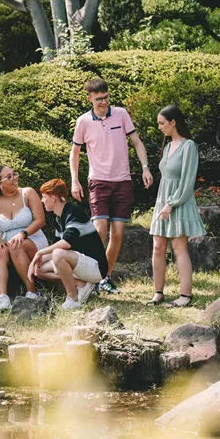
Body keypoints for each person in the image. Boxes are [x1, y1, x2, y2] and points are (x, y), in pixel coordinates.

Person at [70, 77, 153, 294]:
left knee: (117, 234)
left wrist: (145, 167)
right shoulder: (83, 122)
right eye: (99, 99)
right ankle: (86, 273)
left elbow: (136, 142)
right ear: (89, 98)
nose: (103, 102)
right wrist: (74, 181)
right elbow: (75, 153)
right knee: (99, 230)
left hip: (123, 181)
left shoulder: (121, 114)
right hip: (98, 181)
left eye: (106, 97)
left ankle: (105, 277)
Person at [146, 106, 205, 308]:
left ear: (174, 122)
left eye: (162, 123)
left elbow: (188, 181)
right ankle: (158, 293)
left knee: (179, 247)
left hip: (178, 201)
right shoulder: (168, 146)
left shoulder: (189, 146)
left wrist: (172, 203)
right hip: (163, 200)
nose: (160, 127)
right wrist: (164, 202)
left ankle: (185, 296)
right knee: (157, 247)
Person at [28, 179, 108, 310]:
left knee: (58, 254)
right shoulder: (59, 217)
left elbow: (66, 243)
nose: (42, 201)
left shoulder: (73, 213)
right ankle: (81, 284)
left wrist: (39, 252)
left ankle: (73, 299)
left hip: (96, 267)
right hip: (79, 263)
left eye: (44, 197)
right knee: (38, 269)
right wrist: (35, 261)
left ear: (53, 198)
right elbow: (57, 245)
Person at [0, 165, 49, 311]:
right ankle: (3, 298)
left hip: (33, 239)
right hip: (7, 242)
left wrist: (22, 234)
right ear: (0, 184)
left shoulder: (28, 193)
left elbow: (40, 220)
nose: (14, 178)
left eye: (14, 174)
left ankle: (32, 292)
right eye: (9, 177)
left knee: (16, 245)